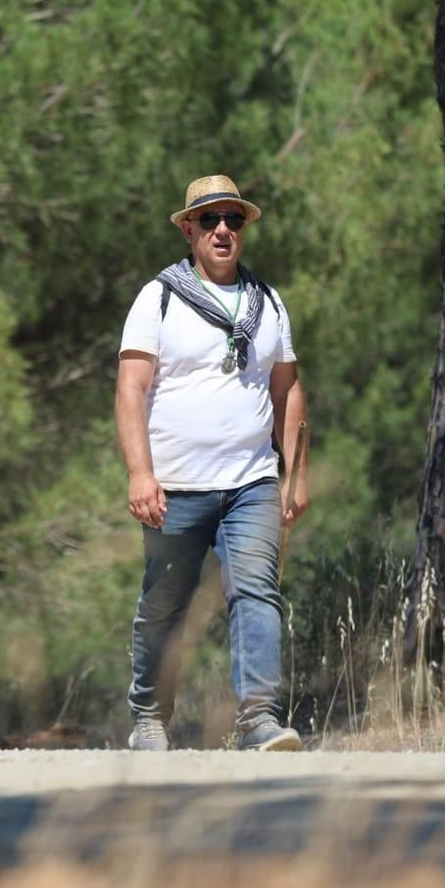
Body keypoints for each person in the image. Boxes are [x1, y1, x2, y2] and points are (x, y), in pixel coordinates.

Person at [114, 174, 310, 752]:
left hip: (250, 479)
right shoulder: (160, 297)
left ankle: (259, 720)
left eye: (233, 220)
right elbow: (131, 388)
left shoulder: (267, 302)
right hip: (175, 484)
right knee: (165, 603)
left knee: (256, 592)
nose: (222, 229)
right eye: (209, 220)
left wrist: (294, 475)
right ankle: (149, 716)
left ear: (244, 228)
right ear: (188, 229)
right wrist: (140, 473)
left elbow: (288, 390)